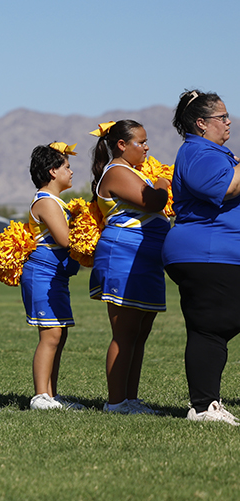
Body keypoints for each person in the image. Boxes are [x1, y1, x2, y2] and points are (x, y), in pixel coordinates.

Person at [163, 90, 240, 425]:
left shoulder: (214, 151)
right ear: (201, 123)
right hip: (207, 253)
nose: (228, 122)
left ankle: (205, 403)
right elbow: (225, 189)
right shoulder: (198, 152)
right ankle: (203, 406)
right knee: (210, 329)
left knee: (212, 326)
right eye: (222, 117)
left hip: (218, 254)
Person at [88, 119, 170, 414]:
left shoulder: (131, 172)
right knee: (125, 334)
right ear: (121, 145)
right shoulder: (118, 171)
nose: (147, 147)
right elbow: (154, 202)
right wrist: (162, 182)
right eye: (141, 142)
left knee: (139, 333)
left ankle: (130, 400)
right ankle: (115, 402)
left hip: (144, 259)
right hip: (124, 257)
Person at [22, 143, 82, 410]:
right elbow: (65, 239)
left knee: (60, 334)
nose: (71, 171)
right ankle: (40, 396)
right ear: (52, 171)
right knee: (51, 335)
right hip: (42, 276)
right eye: (66, 167)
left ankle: (51, 396)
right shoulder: (45, 201)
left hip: (57, 277)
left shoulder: (57, 201)